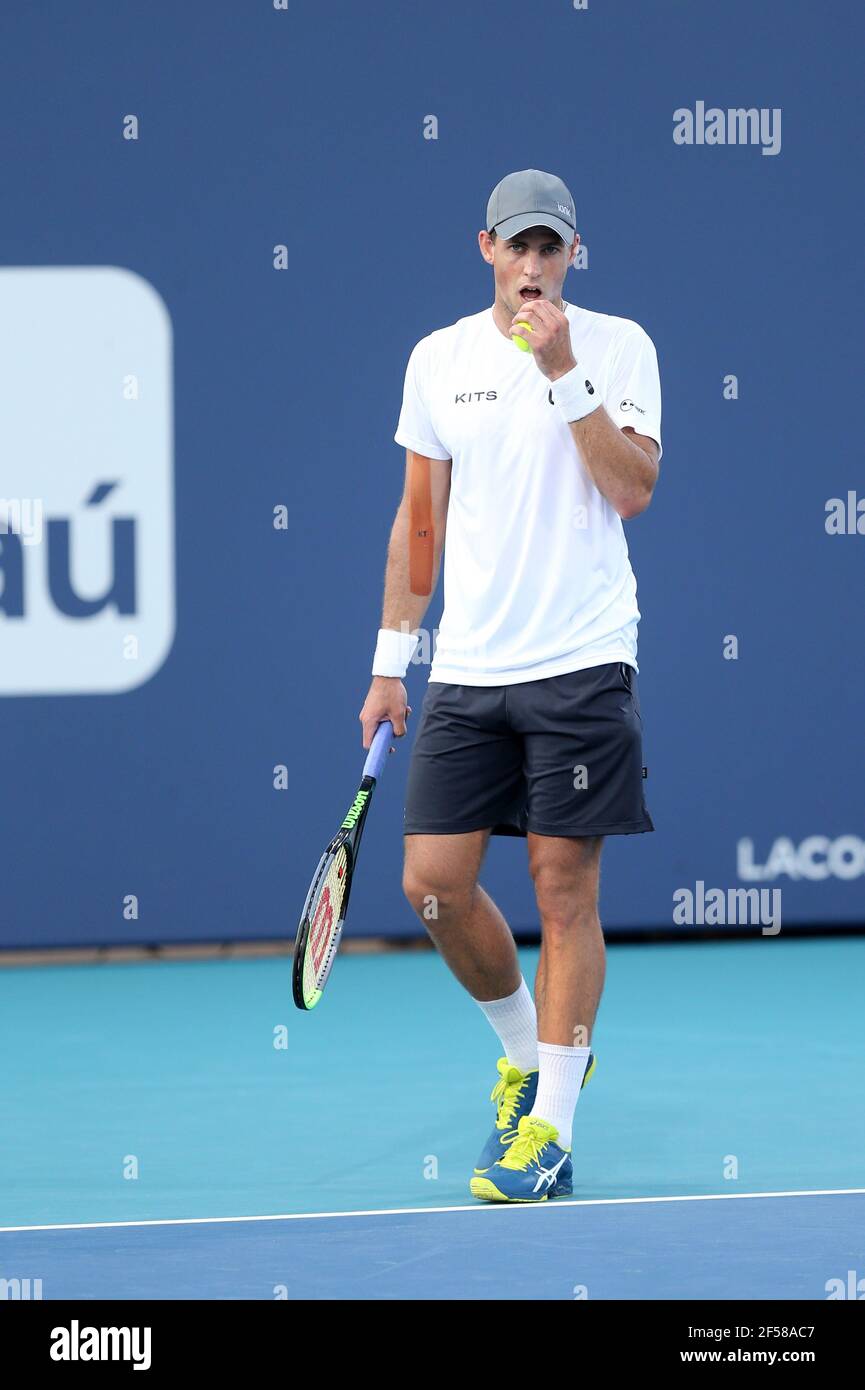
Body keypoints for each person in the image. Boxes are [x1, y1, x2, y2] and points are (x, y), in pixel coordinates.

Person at [358, 169, 662, 1202]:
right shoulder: (436, 359)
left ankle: (553, 1129)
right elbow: (419, 520)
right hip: (470, 668)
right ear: (484, 246)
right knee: (433, 886)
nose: (533, 266)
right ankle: (528, 1053)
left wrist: (564, 369)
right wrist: (391, 660)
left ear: (573, 254)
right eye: (516, 246)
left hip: (580, 659)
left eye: (552, 248)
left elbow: (630, 490)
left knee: (562, 891)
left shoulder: (619, 347)